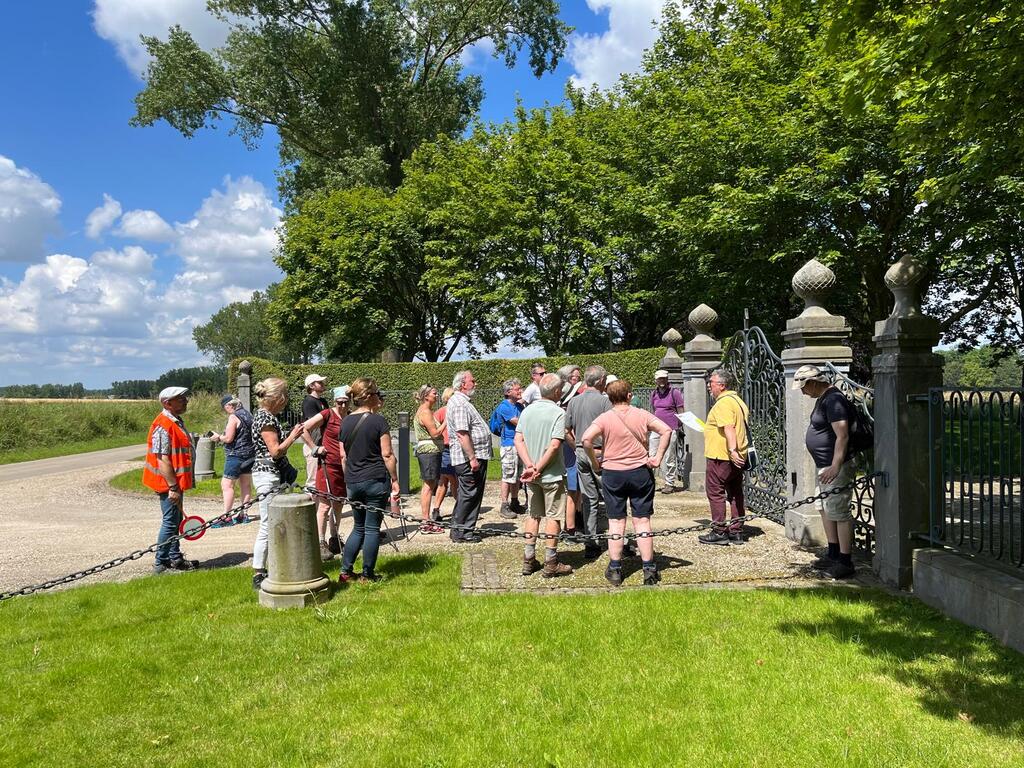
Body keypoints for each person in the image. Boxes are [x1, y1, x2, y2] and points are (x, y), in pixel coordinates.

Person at [581, 379, 671, 586]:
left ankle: (615, 568)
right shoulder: (642, 414)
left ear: (609, 398)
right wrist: (657, 457)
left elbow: (586, 439)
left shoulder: (604, 418)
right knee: (642, 521)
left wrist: (596, 462)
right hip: (640, 472)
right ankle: (648, 568)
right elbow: (666, 430)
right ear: (629, 395)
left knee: (616, 521)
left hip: (613, 473)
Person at [794, 364, 858, 579]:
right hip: (824, 465)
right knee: (824, 507)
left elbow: (843, 436)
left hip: (834, 467)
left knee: (838, 511)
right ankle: (832, 553)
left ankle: (845, 560)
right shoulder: (823, 399)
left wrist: (836, 465)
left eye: (803, 386)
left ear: (813, 382)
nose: (802, 391)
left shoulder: (834, 400)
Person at [337, 378, 400, 583]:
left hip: (353, 482)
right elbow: (388, 454)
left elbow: (343, 456)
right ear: (370, 396)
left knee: (358, 527)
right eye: (376, 393)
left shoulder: (345, 421)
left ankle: (345, 571)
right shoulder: (378, 421)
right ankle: (367, 574)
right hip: (374, 479)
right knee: (372, 528)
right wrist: (395, 479)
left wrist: (350, 478)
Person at [515, 373, 573, 578]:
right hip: (552, 475)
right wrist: (538, 467)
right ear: (557, 392)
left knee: (533, 515)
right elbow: (555, 445)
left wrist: (530, 466)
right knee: (554, 516)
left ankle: (528, 559)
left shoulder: (527, 410)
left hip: (531, 476)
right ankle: (551, 562)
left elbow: (518, 440)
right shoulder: (558, 412)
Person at [250, 377, 305, 589]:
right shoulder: (265, 418)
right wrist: (293, 436)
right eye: (285, 395)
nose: (287, 399)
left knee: (273, 523)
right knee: (267, 524)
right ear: (277, 397)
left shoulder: (266, 415)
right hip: (268, 476)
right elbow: (275, 452)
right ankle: (258, 572)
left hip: (273, 475)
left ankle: (276, 565)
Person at [143, 386, 199, 574]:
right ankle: (161, 563)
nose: (186, 400)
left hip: (174, 483)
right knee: (170, 522)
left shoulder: (173, 421)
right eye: (180, 398)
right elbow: (162, 459)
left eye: (185, 397)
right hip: (168, 484)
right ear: (167, 403)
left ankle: (175, 558)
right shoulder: (163, 425)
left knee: (174, 520)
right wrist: (173, 487)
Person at [698, 368, 750, 546]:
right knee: (735, 492)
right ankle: (736, 531)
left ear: (721, 385)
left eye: (711, 383)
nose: (709, 386)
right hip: (734, 456)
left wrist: (732, 450)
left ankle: (719, 530)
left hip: (721, 456)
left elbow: (729, 427)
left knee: (715, 491)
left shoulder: (723, 403)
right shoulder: (737, 400)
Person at [565, 364, 611, 558]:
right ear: (600, 381)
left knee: (589, 499)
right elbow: (612, 430)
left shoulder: (574, 402)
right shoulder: (604, 402)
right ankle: (620, 542)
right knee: (610, 498)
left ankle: (591, 543)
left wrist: (576, 447)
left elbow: (566, 431)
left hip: (581, 452)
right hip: (599, 453)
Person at [301, 385, 350, 560]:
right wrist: (315, 448)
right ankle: (320, 542)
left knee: (339, 504)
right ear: (335, 401)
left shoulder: (350, 417)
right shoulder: (327, 414)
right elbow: (303, 428)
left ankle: (334, 537)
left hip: (344, 466)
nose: (343, 406)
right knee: (324, 505)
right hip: (327, 464)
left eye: (345, 402)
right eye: (340, 402)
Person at [446, 370, 492, 543]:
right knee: (469, 494)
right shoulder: (459, 403)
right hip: (468, 459)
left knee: (469, 493)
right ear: (463, 384)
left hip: (472, 457)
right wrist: (472, 458)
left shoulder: (463, 402)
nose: (475, 383)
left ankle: (461, 530)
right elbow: (462, 433)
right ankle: (462, 532)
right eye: (473, 380)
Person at [209, 395, 254, 526]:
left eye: (225, 408)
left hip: (235, 455)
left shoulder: (233, 417)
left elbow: (228, 438)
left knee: (227, 485)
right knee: (245, 484)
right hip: (250, 455)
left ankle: (226, 517)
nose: (226, 410)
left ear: (229, 405)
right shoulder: (248, 414)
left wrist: (218, 437)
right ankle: (244, 514)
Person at [413, 384, 446, 534]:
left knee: (430, 485)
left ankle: (427, 520)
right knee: (428, 486)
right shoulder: (425, 412)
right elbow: (434, 433)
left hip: (431, 452)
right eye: (434, 393)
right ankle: (425, 521)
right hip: (429, 453)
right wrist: (447, 420)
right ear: (426, 396)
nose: (437, 395)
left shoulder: (426, 411)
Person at [555, 363, 583, 532]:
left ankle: (577, 518)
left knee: (576, 487)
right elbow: (566, 431)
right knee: (572, 488)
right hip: (568, 449)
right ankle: (570, 527)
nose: (578, 381)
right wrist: (576, 447)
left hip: (571, 448)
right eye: (574, 378)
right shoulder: (563, 406)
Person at [650, 369, 686, 493]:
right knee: (652, 454)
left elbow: (681, 410)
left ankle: (669, 483)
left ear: (667, 379)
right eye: (660, 379)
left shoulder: (674, 393)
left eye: (664, 378)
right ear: (656, 380)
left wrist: (679, 425)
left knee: (669, 456)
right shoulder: (654, 393)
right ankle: (650, 482)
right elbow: (654, 409)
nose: (662, 381)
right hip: (656, 428)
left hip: (671, 428)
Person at [495, 378, 526, 519]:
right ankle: (504, 504)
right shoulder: (504, 407)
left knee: (517, 475)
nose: (520, 391)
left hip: (520, 445)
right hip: (509, 445)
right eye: (517, 389)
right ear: (508, 392)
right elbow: (519, 423)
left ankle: (514, 501)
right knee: (508, 475)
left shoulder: (519, 407)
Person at [431, 387, 457, 520]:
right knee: (451, 478)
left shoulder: (452, 410)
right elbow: (433, 430)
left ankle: (436, 509)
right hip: (446, 448)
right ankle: (459, 507)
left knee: (445, 479)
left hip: (454, 448)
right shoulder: (442, 412)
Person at [301, 372, 329, 494]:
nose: (323, 384)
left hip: (322, 443)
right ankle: (310, 508)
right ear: (312, 386)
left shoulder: (323, 401)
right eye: (320, 382)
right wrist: (313, 447)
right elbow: (311, 426)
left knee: (324, 477)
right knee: (312, 479)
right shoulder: (309, 401)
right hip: (312, 443)